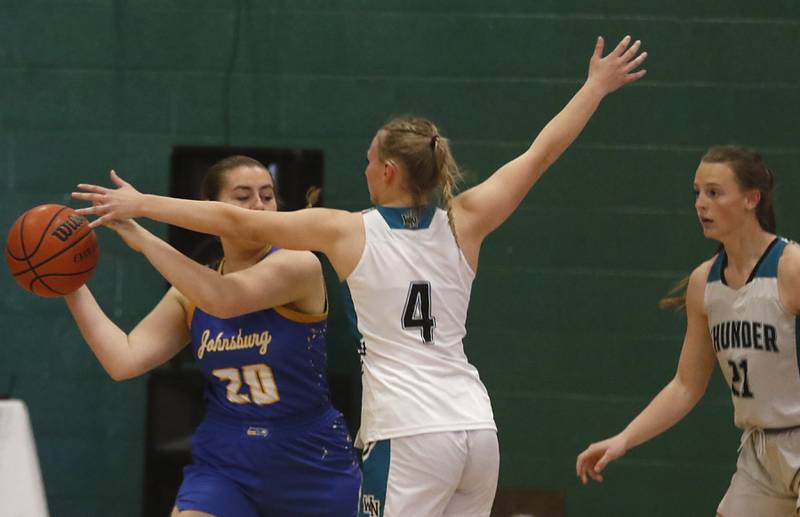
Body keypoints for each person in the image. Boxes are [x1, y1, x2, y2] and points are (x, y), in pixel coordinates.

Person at [73, 35, 647, 517]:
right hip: (477, 427)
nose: (364, 167)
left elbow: (227, 218)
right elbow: (541, 153)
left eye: (370, 159)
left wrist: (145, 204)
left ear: (389, 170)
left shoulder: (348, 231)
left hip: (409, 431)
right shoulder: (466, 218)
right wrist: (594, 88)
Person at [65, 155, 361, 517]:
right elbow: (123, 359)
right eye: (243, 196)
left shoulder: (299, 264)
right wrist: (68, 282)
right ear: (210, 210)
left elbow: (224, 298)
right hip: (227, 459)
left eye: (267, 196)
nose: (258, 206)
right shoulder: (190, 293)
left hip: (310, 457)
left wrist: (144, 238)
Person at [575, 146, 800, 517]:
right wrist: (624, 439)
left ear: (751, 199)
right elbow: (686, 385)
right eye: (697, 192)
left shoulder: (789, 269)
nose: (700, 204)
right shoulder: (704, 283)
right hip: (761, 451)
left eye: (714, 192)